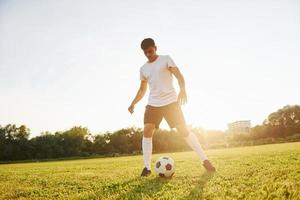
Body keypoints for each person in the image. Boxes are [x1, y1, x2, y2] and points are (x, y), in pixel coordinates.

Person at [128, 38, 216, 177]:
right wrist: (133, 103)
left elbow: (179, 75)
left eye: (150, 51)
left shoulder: (166, 59)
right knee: (147, 130)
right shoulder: (143, 69)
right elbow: (142, 89)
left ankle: (205, 160)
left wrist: (183, 89)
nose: (149, 55)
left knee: (183, 130)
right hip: (153, 104)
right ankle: (147, 168)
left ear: (155, 48)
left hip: (170, 102)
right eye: (146, 53)